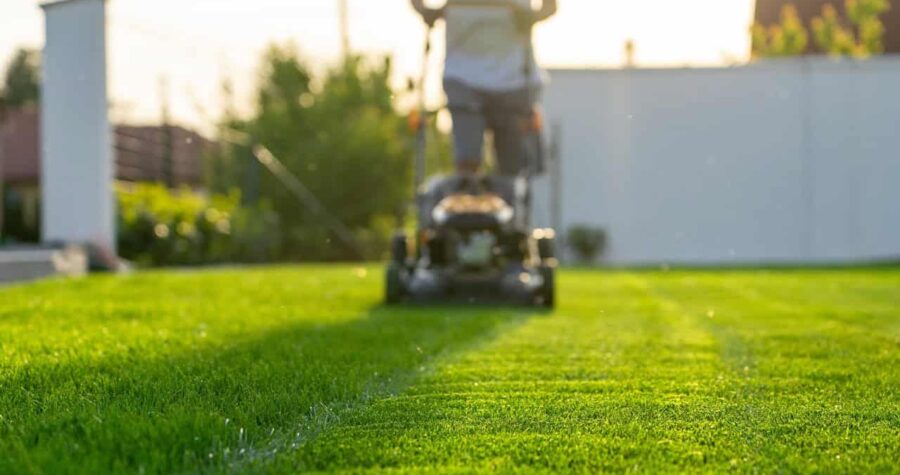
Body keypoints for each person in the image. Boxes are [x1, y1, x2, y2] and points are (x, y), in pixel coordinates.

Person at [411, 0, 558, 177]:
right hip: (462, 77)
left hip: (514, 80)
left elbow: (550, 7)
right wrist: (427, 10)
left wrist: (532, 16)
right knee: (467, 166)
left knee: (512, 171)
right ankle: (466, 194)